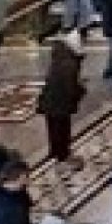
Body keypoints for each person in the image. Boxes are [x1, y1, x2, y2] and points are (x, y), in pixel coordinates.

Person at [39, 33, 87, 163]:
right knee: (62, 128)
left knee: (52, 127)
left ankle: (54, 151)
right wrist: (80, 91)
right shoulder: (70, 64)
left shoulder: (59, 56)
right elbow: (70, 88)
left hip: (48, 98)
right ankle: (63, 155)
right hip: (60, 102)